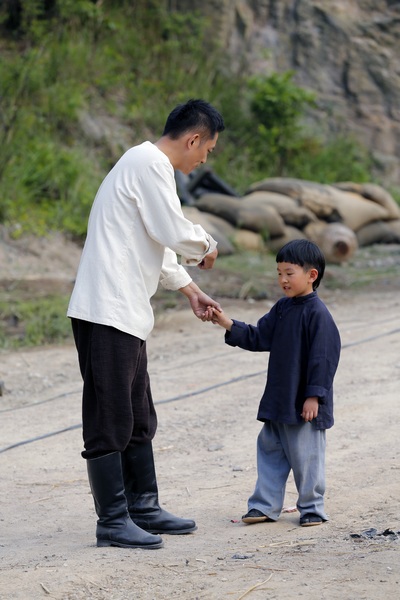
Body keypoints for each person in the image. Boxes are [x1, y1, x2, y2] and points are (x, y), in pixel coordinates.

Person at [67, 99, 225, 549]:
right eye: (208, 150)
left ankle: (143, 507)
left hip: (124, 311)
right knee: (109, 414)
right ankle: (113, 521)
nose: (203, 159)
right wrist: (208, 244)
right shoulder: (149, 163)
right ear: (193, 139)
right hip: (106, 310)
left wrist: (191, 290)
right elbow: (171, 229)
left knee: (137, 414)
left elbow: (154, 241)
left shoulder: (143, 164)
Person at [209, 239, 341, 527]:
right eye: (279, 272)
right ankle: (264, 506)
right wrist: (226, 322)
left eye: (289, 273)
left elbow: (324, 359)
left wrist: (314, 397)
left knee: (307, 458)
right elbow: (259, 337)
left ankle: (312, 508)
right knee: (270, 452)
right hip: (279, 400)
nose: (282, 279)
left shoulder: (318, 315)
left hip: (305, 405)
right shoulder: (282, 309)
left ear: (311, 275)